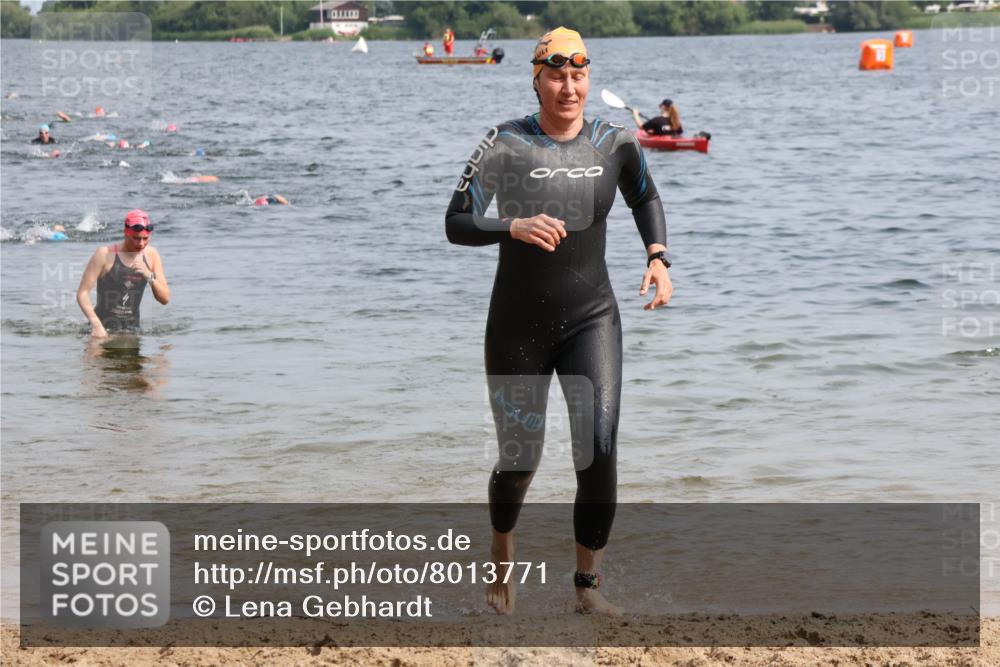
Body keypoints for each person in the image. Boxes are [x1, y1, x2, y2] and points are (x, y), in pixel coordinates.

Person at [445, 26, 672, 616]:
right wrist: (510, 225)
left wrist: (657, 257)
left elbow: (644, 198)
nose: (568, 87)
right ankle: (501, 550)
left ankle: (586, 589)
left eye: (578, 75)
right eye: (556, 75)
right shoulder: (504, 143)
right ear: (537, 78)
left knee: (598, 450)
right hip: (516, 327)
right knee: (520, 460)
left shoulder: (615, 142)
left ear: (587, 77)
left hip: (591, 317)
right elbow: (456, 220)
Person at [76, 209, 170, 338]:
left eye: (145, 238)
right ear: (126, 233)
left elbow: (165, 299)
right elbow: (83, 293)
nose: (141, 243)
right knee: (93, 358)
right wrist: (96, 325)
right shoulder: (104, 254)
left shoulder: (152, 255)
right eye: (136, 238)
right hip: (100, 330)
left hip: (131, 332)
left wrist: (149, 275)